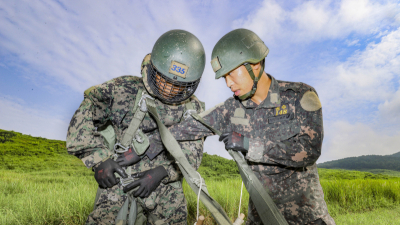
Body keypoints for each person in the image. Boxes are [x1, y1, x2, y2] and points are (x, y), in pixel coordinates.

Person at [164, 29, 336, 225]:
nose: (228, 83)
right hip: (260, 219)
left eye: (231, 73)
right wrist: (148, 142)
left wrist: (249, 145)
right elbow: (186, 129)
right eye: (224, 77)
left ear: (254, 64)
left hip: (307, 219)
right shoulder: (231, 109)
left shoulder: (300, 95)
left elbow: (309, 150)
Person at [66, 29, 206, 225]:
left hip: (167, 192)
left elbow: (193, 153)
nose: (169, 89)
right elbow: (83, 118)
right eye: (164, 80)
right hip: (119, 183)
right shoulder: (123, 89)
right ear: (154, 68)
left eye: (179, 86)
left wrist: (163, 172)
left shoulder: (193, 108)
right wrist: (99, 159)